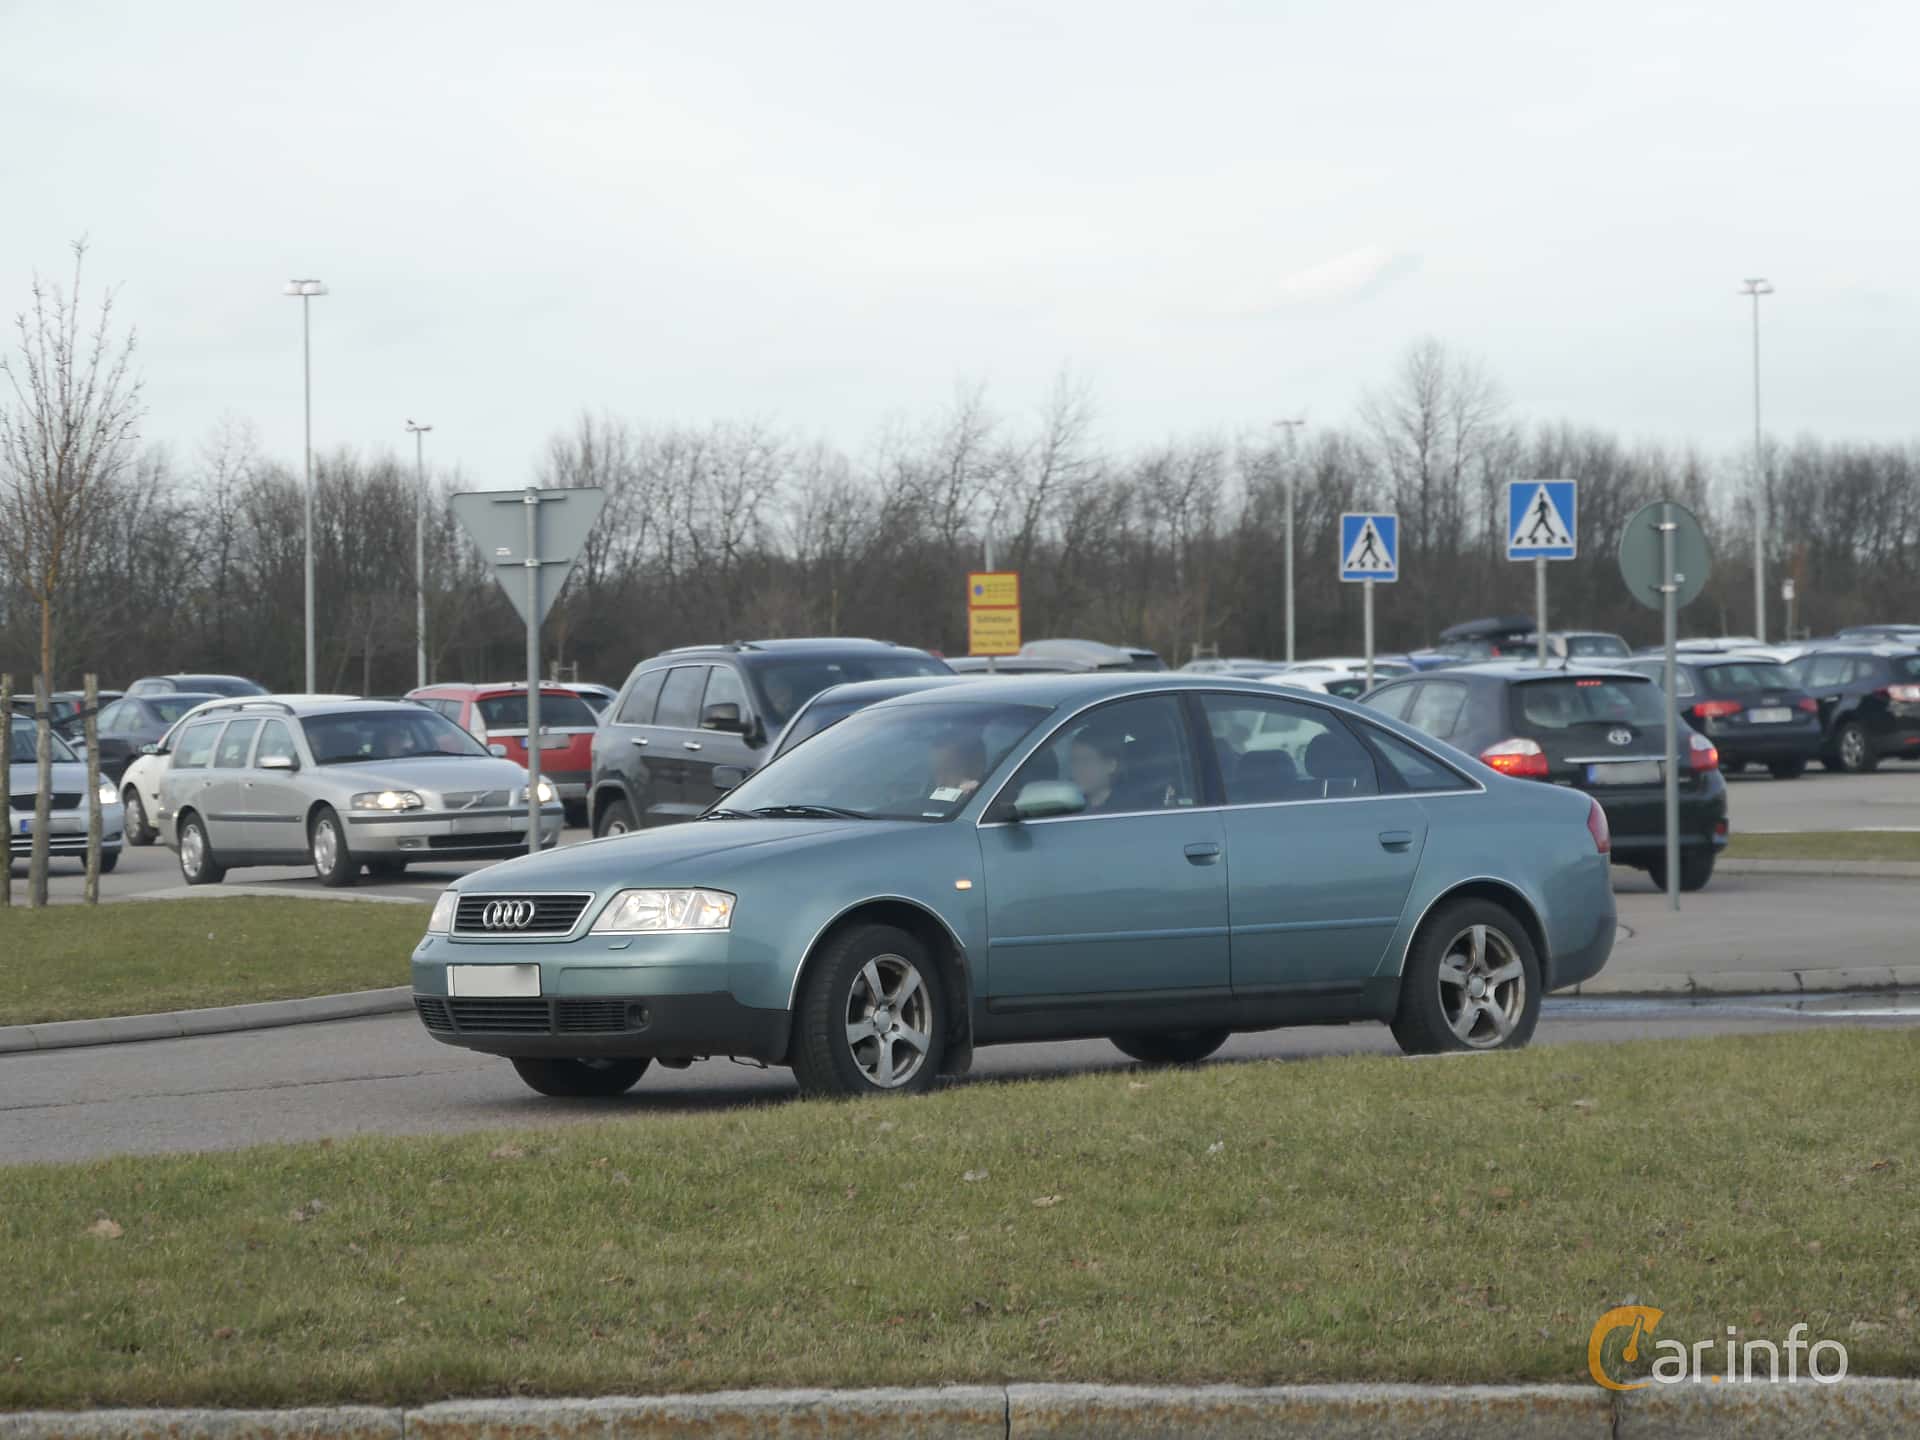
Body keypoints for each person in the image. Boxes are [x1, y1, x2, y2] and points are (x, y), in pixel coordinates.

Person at [930, 731, 987, 798]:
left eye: (947, 771)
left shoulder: (984, 797)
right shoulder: (929, 798)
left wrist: (975, 794)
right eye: (937, 772)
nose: (941, 782)